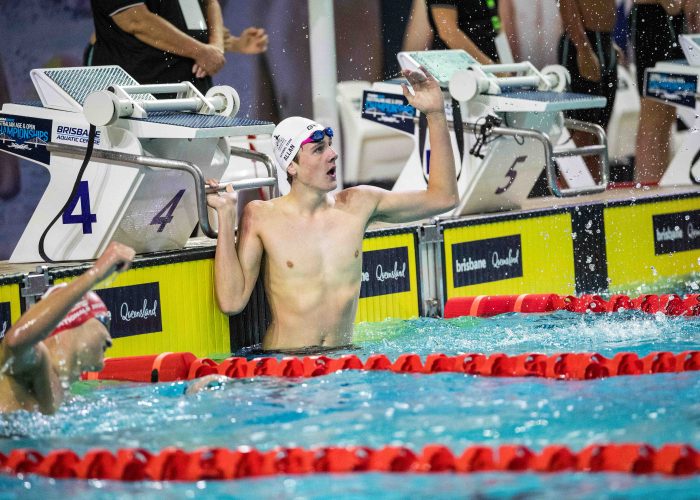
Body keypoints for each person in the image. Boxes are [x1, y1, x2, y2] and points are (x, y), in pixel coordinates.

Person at [206, 68, 458, 352]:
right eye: (318, 149)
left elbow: (444, 197)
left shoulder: (358, 204)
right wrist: (226, 218)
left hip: (343, 359)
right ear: (292, 166)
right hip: (286, 363)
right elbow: (231, 302)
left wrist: (435, 114)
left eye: (329, 146)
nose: (333, 154)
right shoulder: (262, 216)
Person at [0, 242, 135, 414]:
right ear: (74, 320)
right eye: (103, 321)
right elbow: (15, 340)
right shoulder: (36, 360)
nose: (110, 340)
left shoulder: (62, 393)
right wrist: (95, 274)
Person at [89, 1, 267, 94]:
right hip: (138, 95)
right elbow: (135, 20)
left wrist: (218, 46)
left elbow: (208, 3)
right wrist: (201, 51)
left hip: (195, 94)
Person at [632, 0, 700, 184]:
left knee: (666, 116)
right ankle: (648, 188)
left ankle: (661, 185)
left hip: (676, 19)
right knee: (653, 113)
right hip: (652, 18)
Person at [558, 0, 618, 181]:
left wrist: (608, 45)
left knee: (599, 133)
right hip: (583, 43)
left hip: (604, 41)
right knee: (581, 132)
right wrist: (582, 47)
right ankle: (568, 192)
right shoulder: (582, 46)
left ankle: (593, 192)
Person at [425, 0, 503, 65]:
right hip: (454, 66)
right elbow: (449, 33)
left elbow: (493, 23)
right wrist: (490, 67)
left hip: (487, 63)